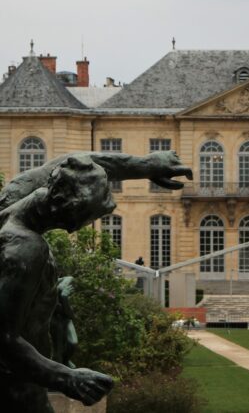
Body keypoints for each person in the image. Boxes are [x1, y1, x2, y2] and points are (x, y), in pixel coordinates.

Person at [0, 151, 192, 411]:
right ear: (68, 217)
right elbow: (3, 338)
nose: (78, 229)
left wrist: (145, 165)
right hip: (16, 382)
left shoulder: (14, 197)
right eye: (85, 220)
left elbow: (74, 161)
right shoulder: (25, 249)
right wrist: (69, 378)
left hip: (27, 376)